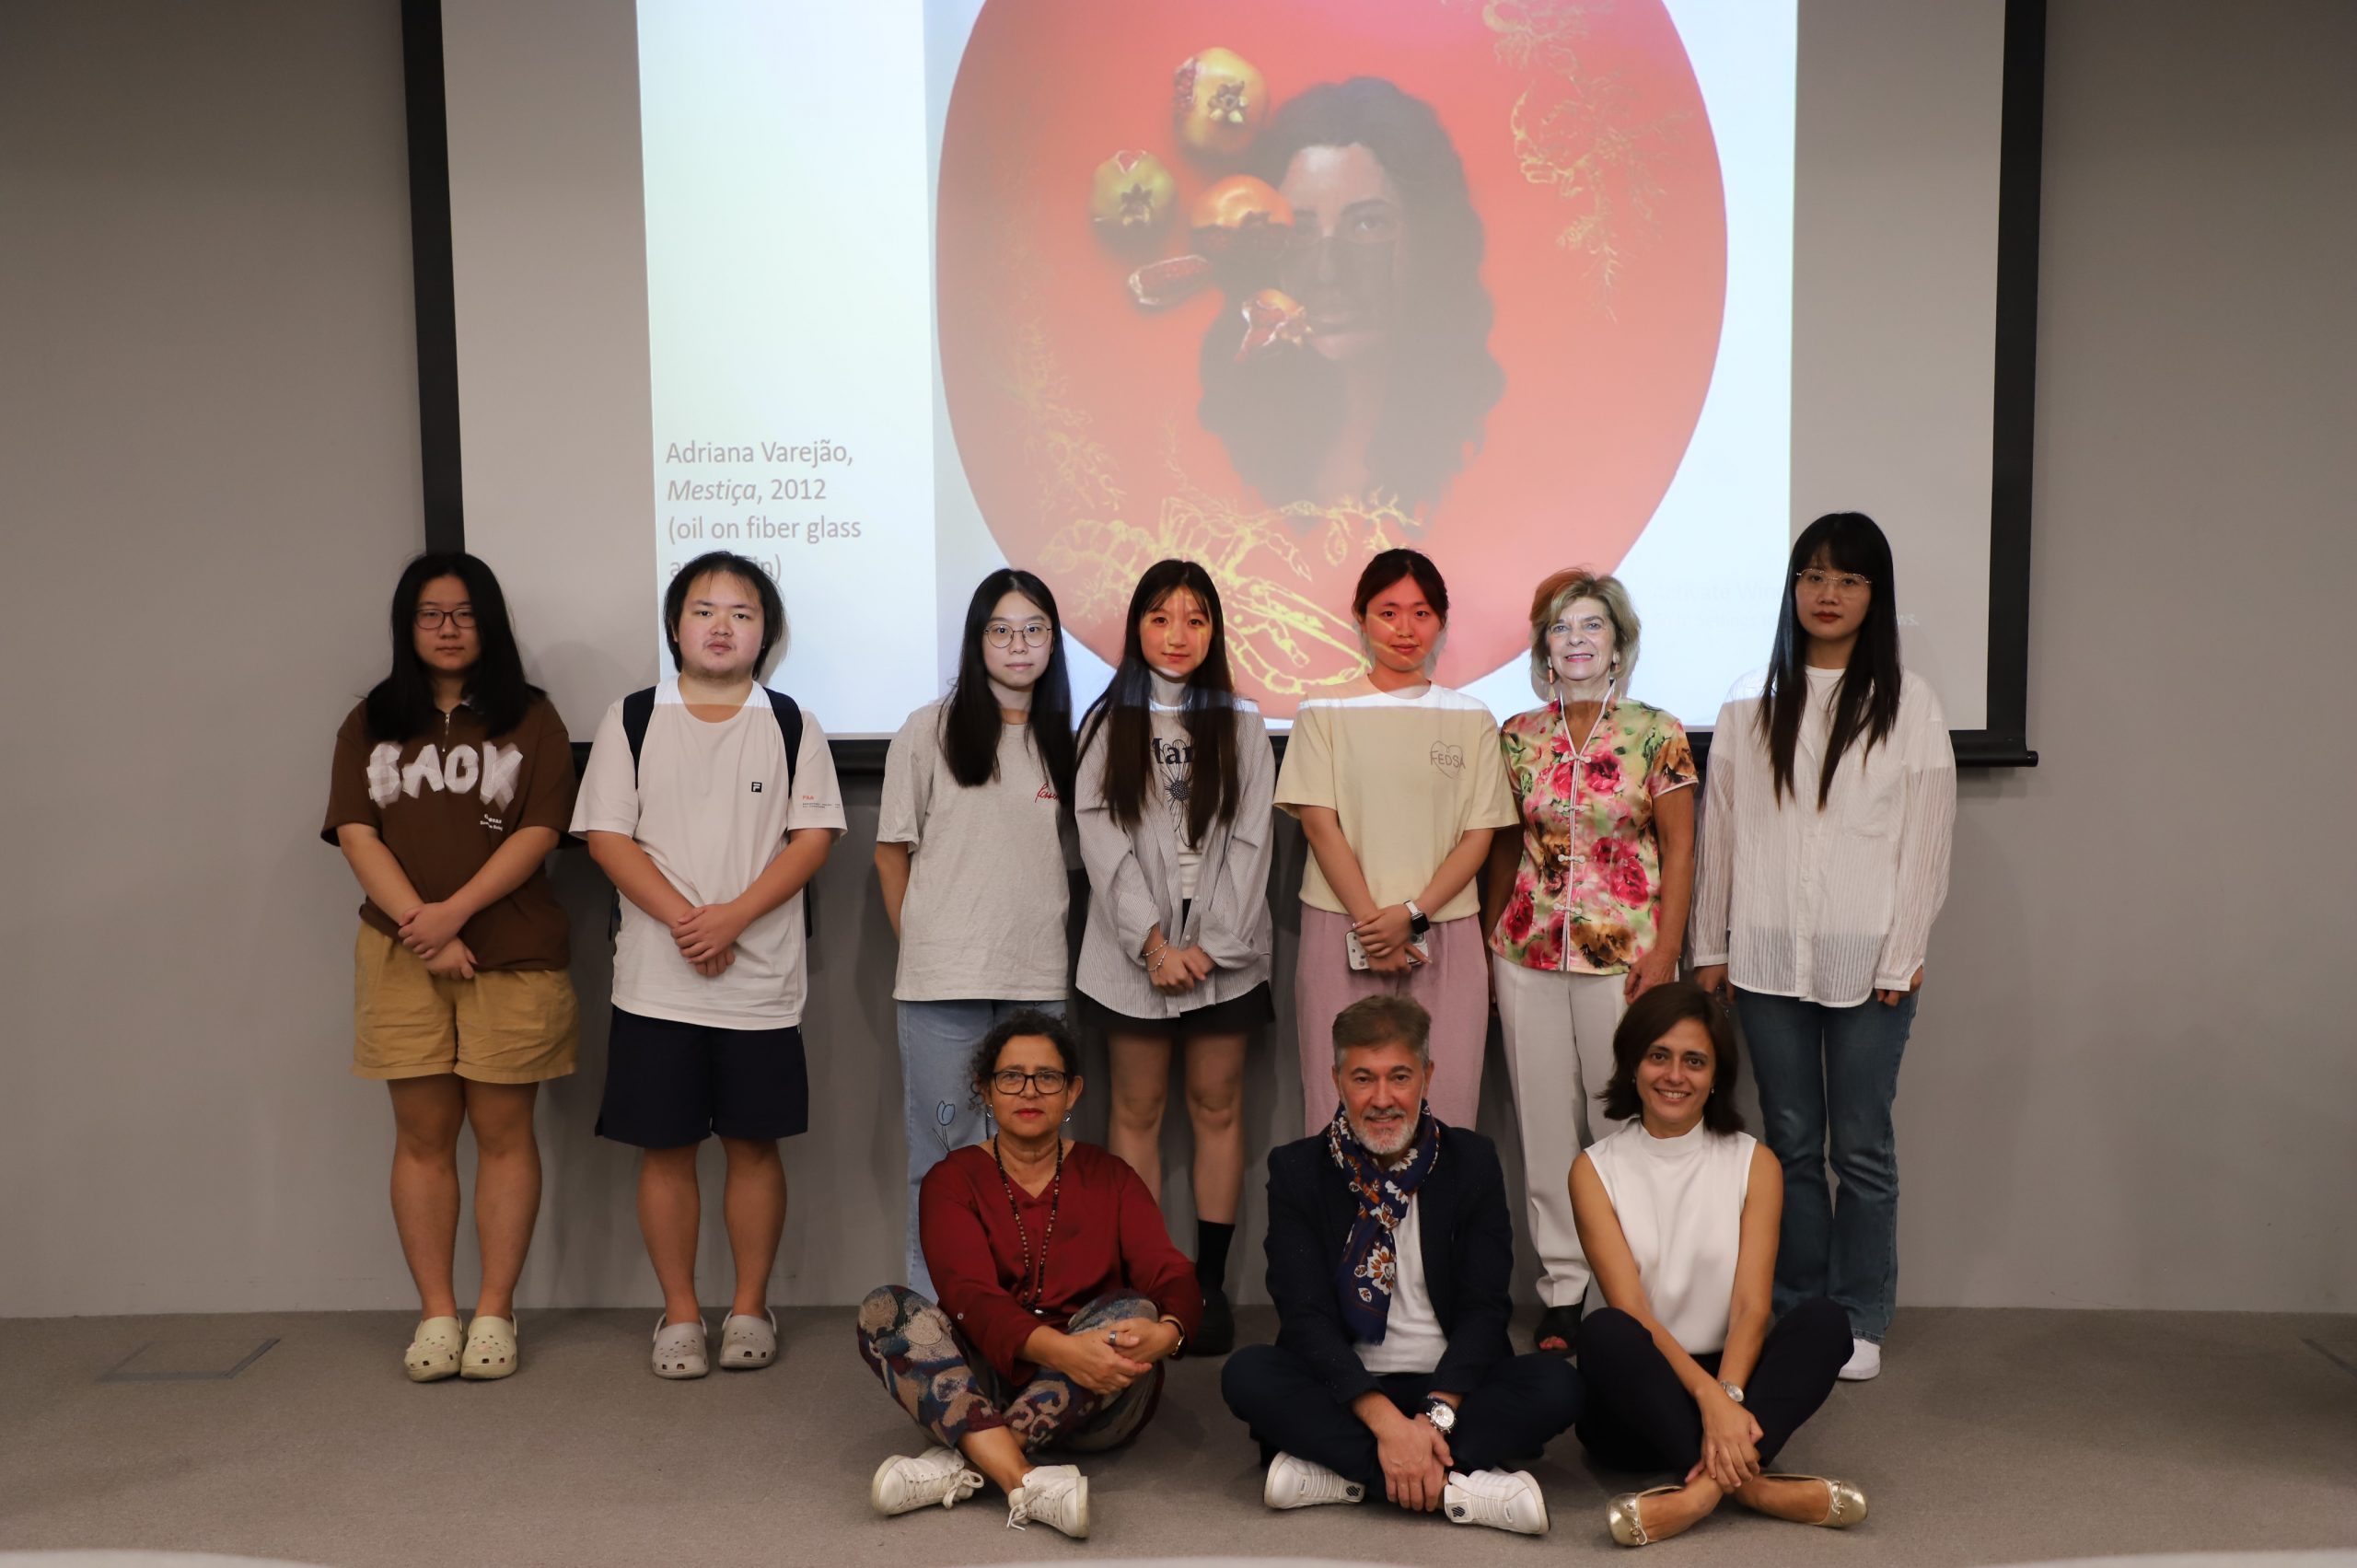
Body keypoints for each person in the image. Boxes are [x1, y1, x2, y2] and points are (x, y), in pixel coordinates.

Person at [1691, 511, 1956, 1383]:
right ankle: (1802, 1305)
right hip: (1765, 957)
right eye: (1812, 575)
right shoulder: (1749, 701)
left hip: (1869, 961)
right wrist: (1710, 945)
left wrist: (1902, 951)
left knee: (1862, 1148)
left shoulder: (1909, 704)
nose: (1827, 593)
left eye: (1847, 578)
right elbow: (1722, 833)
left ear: (1875, 595)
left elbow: (1926, 842)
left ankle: (1861, 1314)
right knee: (1791, 1142)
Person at [573, 550, 843, 1378]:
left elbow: (813, 839)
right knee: (666, 1149)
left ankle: (751, 1305)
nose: (722, 626)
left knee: (755, 1146)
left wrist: (733, 917)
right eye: (704, 609)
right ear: (675, 625)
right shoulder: (632, 717)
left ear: (766, 632)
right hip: (657, 981)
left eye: (742, 612)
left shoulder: (791, 722)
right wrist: (689, 922)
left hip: (759, 981)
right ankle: (682, 1313)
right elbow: (607, 837)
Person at [323, 552, 579, 1383]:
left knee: (505, 1135)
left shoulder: (532, 718)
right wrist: (423, 929)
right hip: (400, 954)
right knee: (422, 1136)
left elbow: (541, 831)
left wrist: (453, 914)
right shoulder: (370, 720)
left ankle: (495, 1311)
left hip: (513, 954)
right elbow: (357, 831)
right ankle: (438, 1313)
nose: (447, 628)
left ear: (489, 623)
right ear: (408, 625)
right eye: (430, 613)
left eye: (464, 613)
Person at [1221, 996, 1583, 1537]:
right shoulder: (1298, 1170)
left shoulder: (1471, 1161)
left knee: (1558, 1385)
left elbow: (1485, 1308)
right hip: (1347, 1389)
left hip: (1453, 1389)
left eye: (1400, 1077)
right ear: (1337, 1080)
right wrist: (1388, 1426)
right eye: (1363, 1078)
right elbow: (1304, 1316)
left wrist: (1433, 1415)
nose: (1383, 1099)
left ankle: (1345, 1475)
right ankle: (1458, 1486)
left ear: (1427, 1076)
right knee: (1247, 1374)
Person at [857, 1011, 1203, 1540]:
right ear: (985, 1090)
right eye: (1011, 1077)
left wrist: (1169, 1335)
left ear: (1072, 1092)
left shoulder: (1112, 1176)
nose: (1029, 1091)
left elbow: (1171, 1271)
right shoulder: (951, 1180)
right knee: (885, 1309)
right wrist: (1062, 1352)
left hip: (1096, 1398)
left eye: (1047, 1077)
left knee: (1135, 1312)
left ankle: (969, 1455)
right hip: (986, 1382)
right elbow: (970, 1297)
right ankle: (1022, 1478)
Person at [1480, 568, 1696, 1354]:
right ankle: (1564, 1290)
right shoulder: (1517, 735)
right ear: (1544, 647)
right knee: (1545, 1132)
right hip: (1528, 951)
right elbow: (1504, 847)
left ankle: (1623, 1289)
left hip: (1626, 956)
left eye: (1591, 625)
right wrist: (1490, 939)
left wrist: (1666, 949)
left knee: (1622, 1123)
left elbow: (1681, 846)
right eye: (1561, 627)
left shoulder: (1656, 731)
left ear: (1618, 643)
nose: (1576, 639)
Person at [1570, 981, 1860, 1546]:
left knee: (1825, 1321)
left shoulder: (1756, 1163)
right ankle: (1756, 1486)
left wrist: (1726, 1395)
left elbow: (1751, 1306)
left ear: (1716, 1075)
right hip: (1637, 1396)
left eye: (1694, 1061)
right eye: (1659, 1056)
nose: (1675, 1076)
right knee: (1606, 1330)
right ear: (1633, 1064)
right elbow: (1634, 1312)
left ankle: (1699, 1495)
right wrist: (1713, 1405)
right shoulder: (1594, 1170)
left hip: (1735, 1379)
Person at [1073, 559, 1276, 1356]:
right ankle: (1149, 1283)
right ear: (1137, 628)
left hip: (1225, 955)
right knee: (1137, 1111)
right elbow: (1101, 843)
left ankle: (1209, 1286)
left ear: (1214, 630)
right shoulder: (1105, 724)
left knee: (1218, 1108)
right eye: (1160, 617)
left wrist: (1209, 948)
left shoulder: (1244, 724)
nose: (1177, 634)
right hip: (1135, 957)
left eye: (1195, 618)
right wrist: (1155, 944)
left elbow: (1253, 845)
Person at [877, 568, 1078, 1296]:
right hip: (943, 981)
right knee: (944, 1155)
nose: (1018, 645)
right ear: (977, 639)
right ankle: (935, 1312)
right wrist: (923, 945)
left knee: (1034, 1153)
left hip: (1037, 976)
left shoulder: (1068, 740)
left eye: (1034, 629)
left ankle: (1023, 1306)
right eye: (1001, 629)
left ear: (1052, 641)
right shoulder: (926, 729)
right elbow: (890, 851)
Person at [1276, 549, 1515, 1133]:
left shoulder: (1472, 717)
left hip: (1445, 929)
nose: (1405, 629)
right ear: (1361, 619)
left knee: (1447, 1109)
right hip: (1343, 927)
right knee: (1337, 1111)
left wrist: (1411, 915)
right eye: (1388, 612)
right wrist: (1373, 925)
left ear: (1441, 622)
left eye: (1421, 613)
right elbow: (1319, 823)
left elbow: (1479, 835)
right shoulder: (1324, 709)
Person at [1198, 76, 1504, 511]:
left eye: (1367, 224)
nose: (1327, 273)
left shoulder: (1475, 453)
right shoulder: (1239, 456)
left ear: (1426, 241)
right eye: (1299, 230)